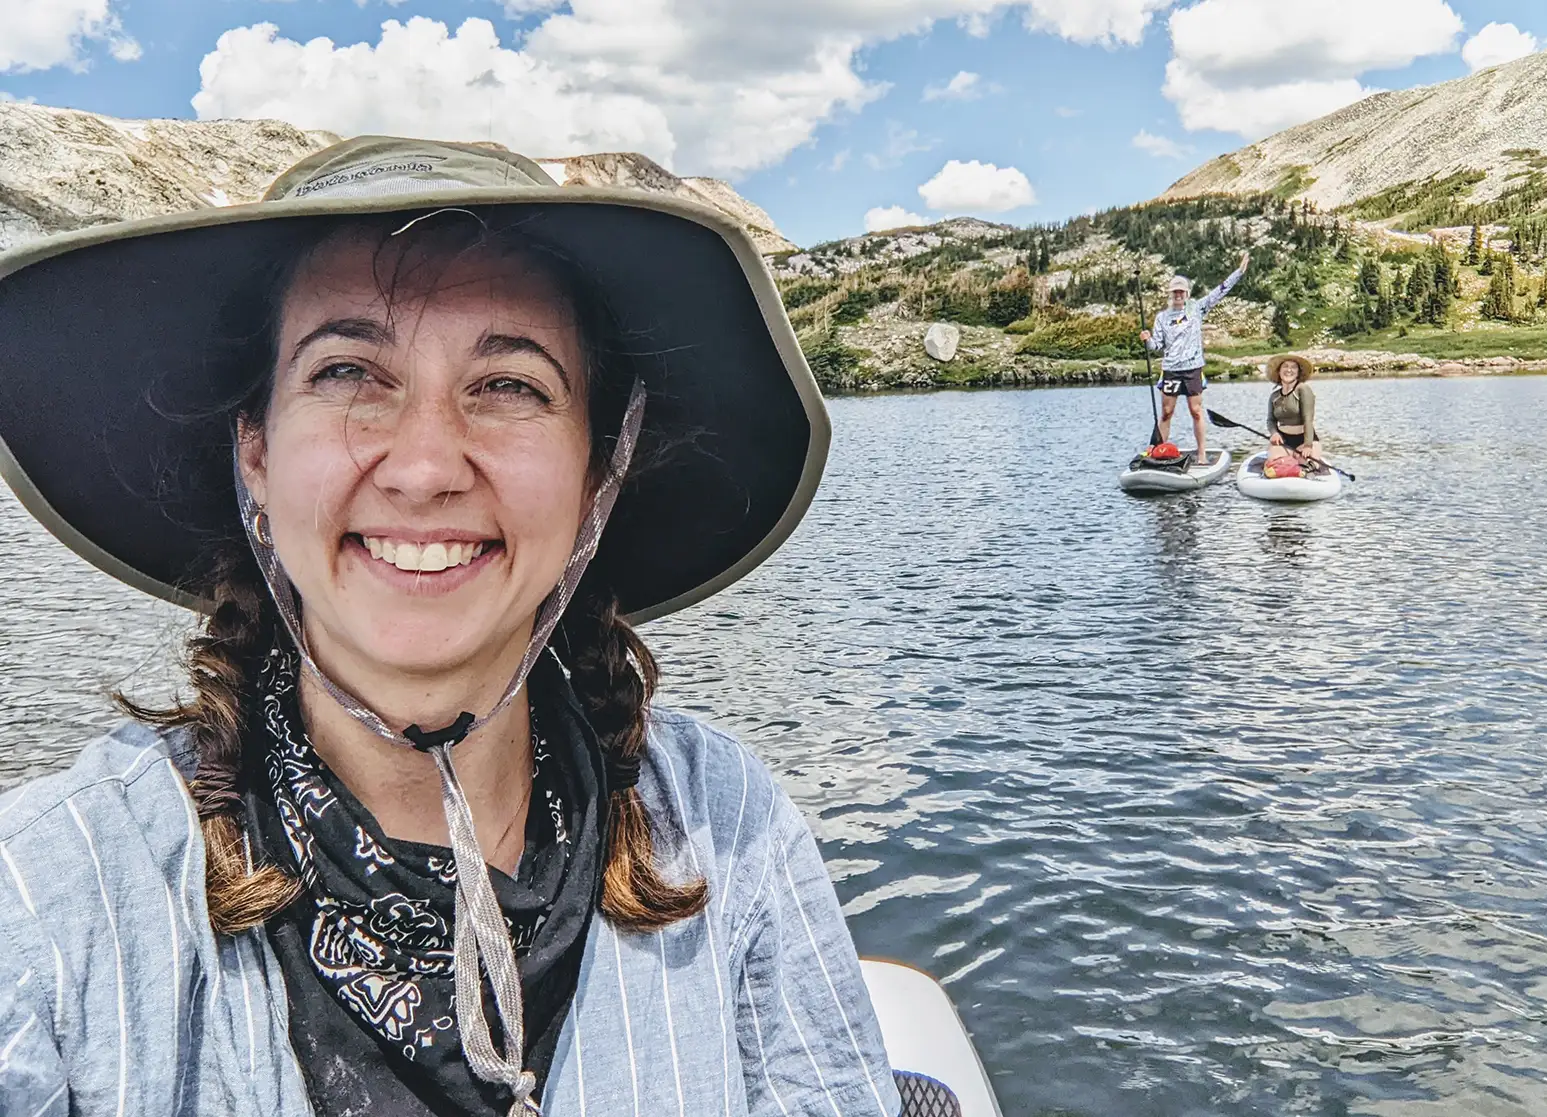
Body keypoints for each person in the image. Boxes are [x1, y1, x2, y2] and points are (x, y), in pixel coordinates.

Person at [0, 137, 899, 1117]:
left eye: (509, 386)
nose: (425, 467)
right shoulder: (49, 895)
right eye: (348, 371)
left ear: (600, 472)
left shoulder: (725, 824)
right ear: (255, 451)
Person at [1139, 250, 1250, 465]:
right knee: (1166, 412)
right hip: (1171, 368)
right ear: (1170, 295)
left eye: (1181, 292)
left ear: (1187, 294)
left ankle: (1201, 454)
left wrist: (1239, 271)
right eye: (1175, 292)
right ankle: (1158, 450)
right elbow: (1157, 346)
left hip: (1193, 368)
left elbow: (1221, 291)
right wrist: (1147, 340)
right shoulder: (1161, 317)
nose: (1178, 295)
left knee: (1196, 411)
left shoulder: (1197, 308)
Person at [1265, 353, 1323, 465]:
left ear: (1298, 372)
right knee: (1277, 465)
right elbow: (1270, 420)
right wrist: (1274, 433)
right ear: (1279, 371)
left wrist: (1308, 445)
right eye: (1285, 366)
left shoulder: (1303, 389)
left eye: (1293, 367)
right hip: (1284, 441)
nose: (1289, 370)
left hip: (1304, 439)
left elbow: (1308, 420)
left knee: (1306, 465)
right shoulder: (1274, 396)